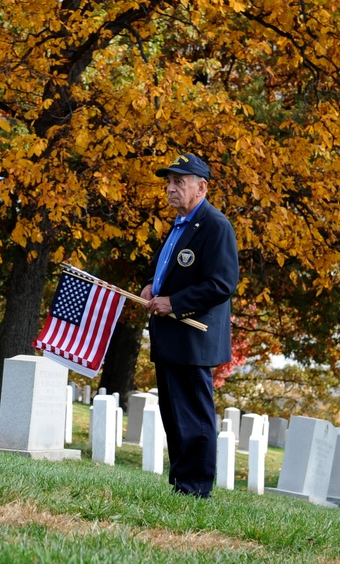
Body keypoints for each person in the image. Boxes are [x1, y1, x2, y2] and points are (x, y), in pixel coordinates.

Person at [141, 153, 239, 498]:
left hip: (194, 336)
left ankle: (196, 488)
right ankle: (182, 483)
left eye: (178, 182)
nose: (170, 189)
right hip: (171, 334)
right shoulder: (180, 224)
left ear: (202, 187)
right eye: (169, 182)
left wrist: (175, 302)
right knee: (174, 413)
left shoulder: (215, 225)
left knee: (194, 417)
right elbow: (170, 269)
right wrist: (154, 285)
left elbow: (222, 283)